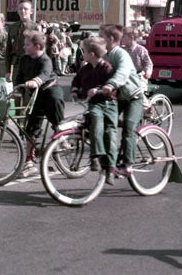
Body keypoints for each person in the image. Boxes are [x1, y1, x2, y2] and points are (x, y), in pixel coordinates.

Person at [96, 24, 146, 183]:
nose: (98, 40)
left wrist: (110, 84)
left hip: (133, 97)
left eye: (101, 37)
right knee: (104, 124)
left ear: (110, 39)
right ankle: (110, 161)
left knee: (129, 129)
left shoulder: (120, 54)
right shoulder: (104, 55)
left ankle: (128, 165)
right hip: (118, 98)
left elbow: (122, 73)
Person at [15, 30, 66, 172]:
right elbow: (19, 77)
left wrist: (35, 81)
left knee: (55, 102)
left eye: (27, 44)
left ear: (37, 47)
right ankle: (29, 162)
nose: (24, 47)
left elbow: (45, 74)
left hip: (49, 89)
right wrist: (17, 90)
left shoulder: (45, 59)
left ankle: (61, 134)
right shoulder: (24, 59)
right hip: (35, 94)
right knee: (31, 127)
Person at [71, 36, 116, 173]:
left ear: (91, 54)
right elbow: (77, 80)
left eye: (83, 51)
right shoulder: (85, 68)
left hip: (107, 103)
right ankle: (98, 153)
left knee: (106, 131)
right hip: (93, 103)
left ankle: (98, 158)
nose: (82, 54)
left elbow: (112, 87)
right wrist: (74, 90)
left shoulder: (107, 68)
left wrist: (98, 90)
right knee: (91, 121)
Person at [5, 0, 38, 82]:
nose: (23, 11)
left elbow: (41, 50)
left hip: (31, 65)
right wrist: (8, 71)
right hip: (17, 66)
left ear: (31, 11)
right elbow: (8, 50)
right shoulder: (12, 28)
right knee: (17, 91)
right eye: (20, 9)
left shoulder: (36, 28)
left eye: (25, 9)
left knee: (29, 92)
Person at [121, 25, 155, 105]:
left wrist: (147, 72)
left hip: (139, 76)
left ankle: (148, 108)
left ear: (132, 37)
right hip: (126, 77)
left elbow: (148, 63)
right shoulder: (122, 49)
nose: (122, 38)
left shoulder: (140, 49)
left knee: (137, 92)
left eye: (124, 36)